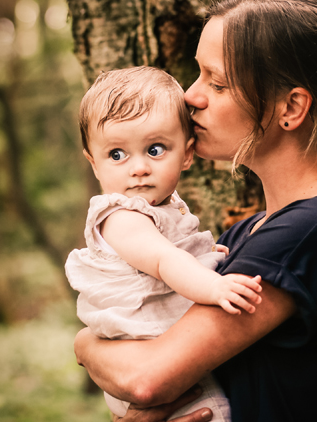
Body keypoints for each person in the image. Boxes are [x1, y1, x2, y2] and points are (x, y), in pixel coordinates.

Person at [72, 0, 317, 422]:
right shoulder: (249, 233)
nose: (190, 96)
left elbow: (148, 379)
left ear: (290, 107)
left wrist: (85, 345)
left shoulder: (316, 229)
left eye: (216, 83)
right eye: (197, 75)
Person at [65, 66, 264, 421]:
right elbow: (162, 261)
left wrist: (201, 255)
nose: (138, 167)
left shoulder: (163, 209)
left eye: (155, 149)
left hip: (159, 355)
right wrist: (213, 284)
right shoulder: (118, 216)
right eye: (116, 155)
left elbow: (174, 255)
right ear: (93, 163)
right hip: (145, 356)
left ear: (187, 154)